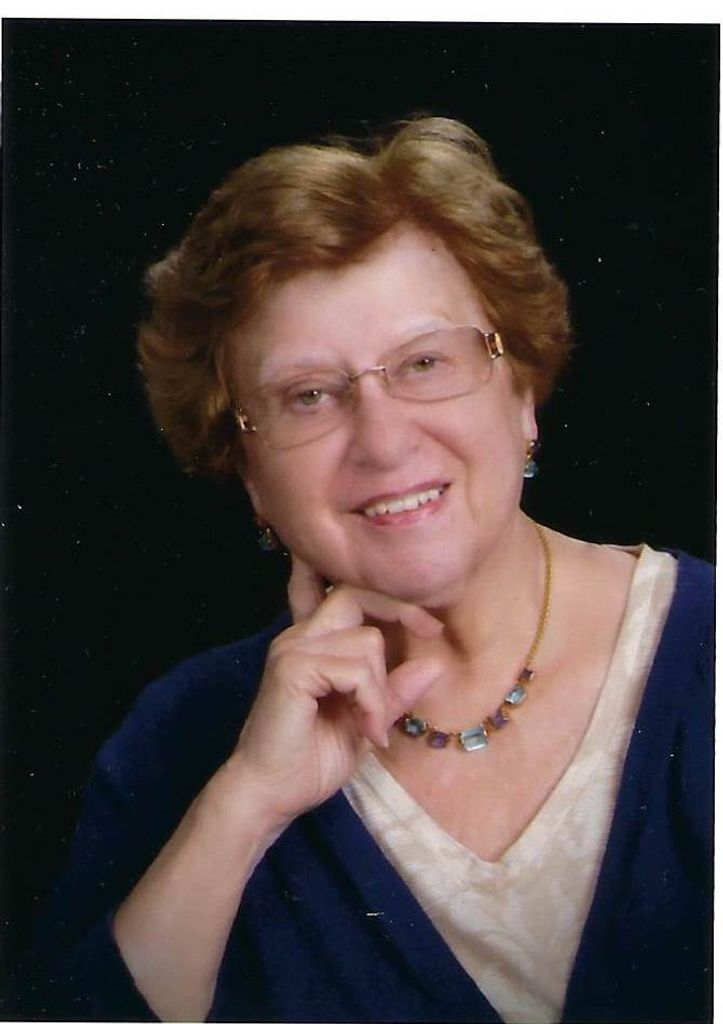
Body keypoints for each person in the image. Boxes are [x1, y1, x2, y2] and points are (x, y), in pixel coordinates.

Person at [9, 117, 712, 1023]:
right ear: (248, 473)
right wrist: (246, 806)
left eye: (424, 362)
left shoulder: (704, 653)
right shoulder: (180, 740)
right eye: (307, 395)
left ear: (522, 395)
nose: (382, 441)